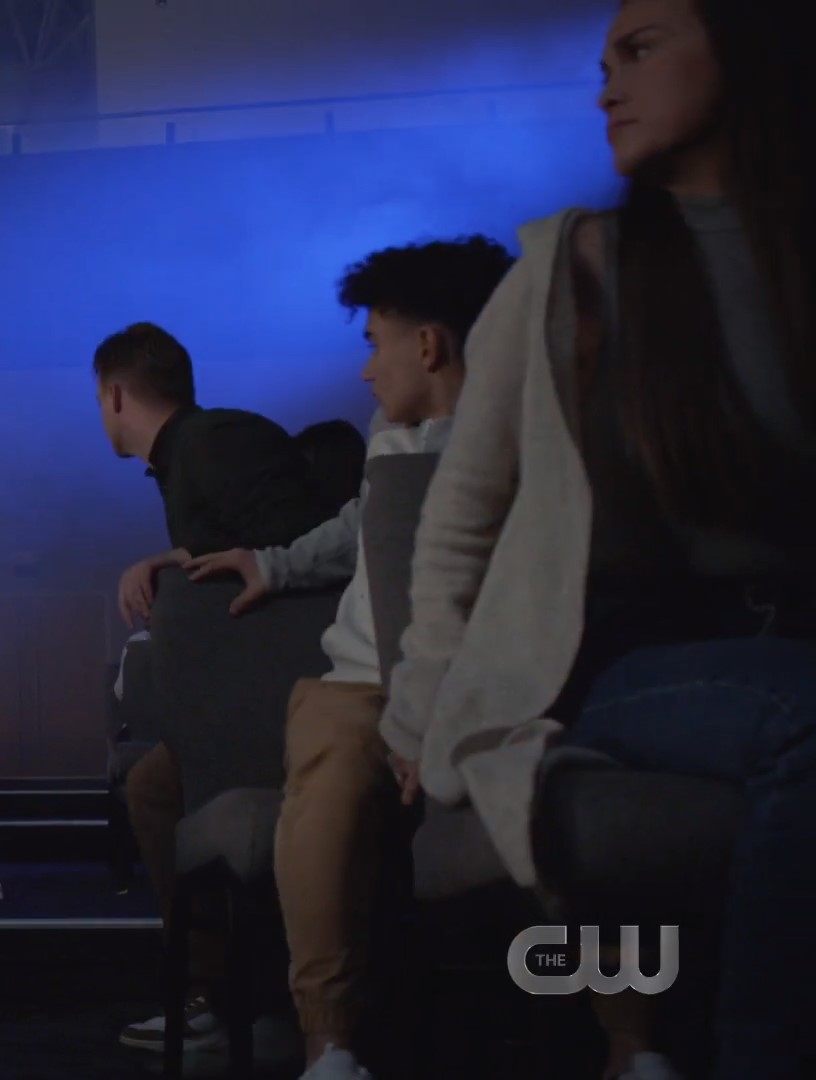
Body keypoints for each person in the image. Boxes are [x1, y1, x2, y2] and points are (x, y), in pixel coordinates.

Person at [381, 2, 814, 1076]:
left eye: (641, 50)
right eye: (603, 60)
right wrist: (420, 711)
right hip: (630, 662)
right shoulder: (570, 271)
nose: (607, 87)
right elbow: (460, 522)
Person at [185, 237, 517, 1080]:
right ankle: (329, 1048)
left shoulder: (519, 441)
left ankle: (631, 1044)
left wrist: (437, 712)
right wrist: (274, 564)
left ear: (429, 346)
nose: (367, 370)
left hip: (486, 684)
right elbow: (359, 527)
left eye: (375, 343)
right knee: (333, 748)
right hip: (363, 686)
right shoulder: (386, 437)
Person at [95, 321, 345, 1058]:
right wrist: (170, 559)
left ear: (115, 396)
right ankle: (224, 993)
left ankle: (231, 997)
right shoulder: (192, 454)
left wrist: (181, 563)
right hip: (260, 700)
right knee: (152, 786)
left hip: (286, 701)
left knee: (159, 787)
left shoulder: (214, 442)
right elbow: (239, 542)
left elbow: (294, 544)